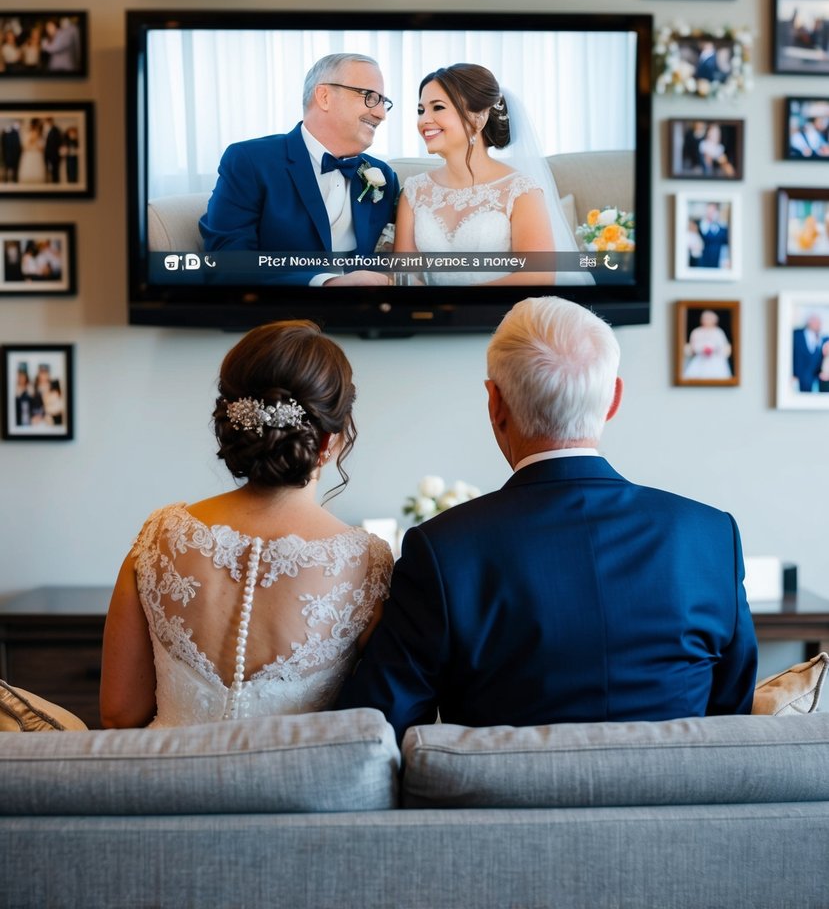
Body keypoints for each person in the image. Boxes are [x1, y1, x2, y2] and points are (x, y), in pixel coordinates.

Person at [337, 297, 758, 740]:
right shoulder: (712, 537)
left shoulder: (443, 552)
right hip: (680, 805)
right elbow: (731, 721)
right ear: (613, 398)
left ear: (495, 403)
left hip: (502, 808)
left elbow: (377, 735)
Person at [100, 319, 393, 728]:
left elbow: (119, 712)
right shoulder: (367, 562)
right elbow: (379, 717)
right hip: (296, 791)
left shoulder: (159, 535)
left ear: (233, 424)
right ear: (330, 441)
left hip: (165, 788)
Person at [199, 53, 400, 286]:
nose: (381, 114)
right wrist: (326, 282)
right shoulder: (250, 161)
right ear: (324, 97)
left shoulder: (382, 174)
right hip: (282, 315)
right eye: (369, 97)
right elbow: (226, 265)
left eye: (383, 102)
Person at [393, 63, 581, 286]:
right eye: (421, 110)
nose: (424, 120)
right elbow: (404, 274)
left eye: (438, 107)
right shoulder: (414, 191)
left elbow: (538, 275)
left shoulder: (521, 190)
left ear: (478, 118)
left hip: (505, 315)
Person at [682, 309, 732, 380]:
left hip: (716, 360)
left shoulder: (718, 332)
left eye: (709, 319)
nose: (707, 321)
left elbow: (723, 346)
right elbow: (693, 346)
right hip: (700, 360)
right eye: (705, 319)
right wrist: (702, 349)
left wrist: (713, 349)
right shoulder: (696, 331)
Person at [792, 313, 826, 393]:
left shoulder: (822, 338)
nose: (819, 324)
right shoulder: (796, 335)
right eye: (816, 322)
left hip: (814, 380)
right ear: (809, 322)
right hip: (797, 378)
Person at [697, 202, 729, 268]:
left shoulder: (723, 228)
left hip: (719, 260)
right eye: (709, 211)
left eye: (713, 211)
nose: (711, 213)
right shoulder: (701, 225)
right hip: (704, 260)